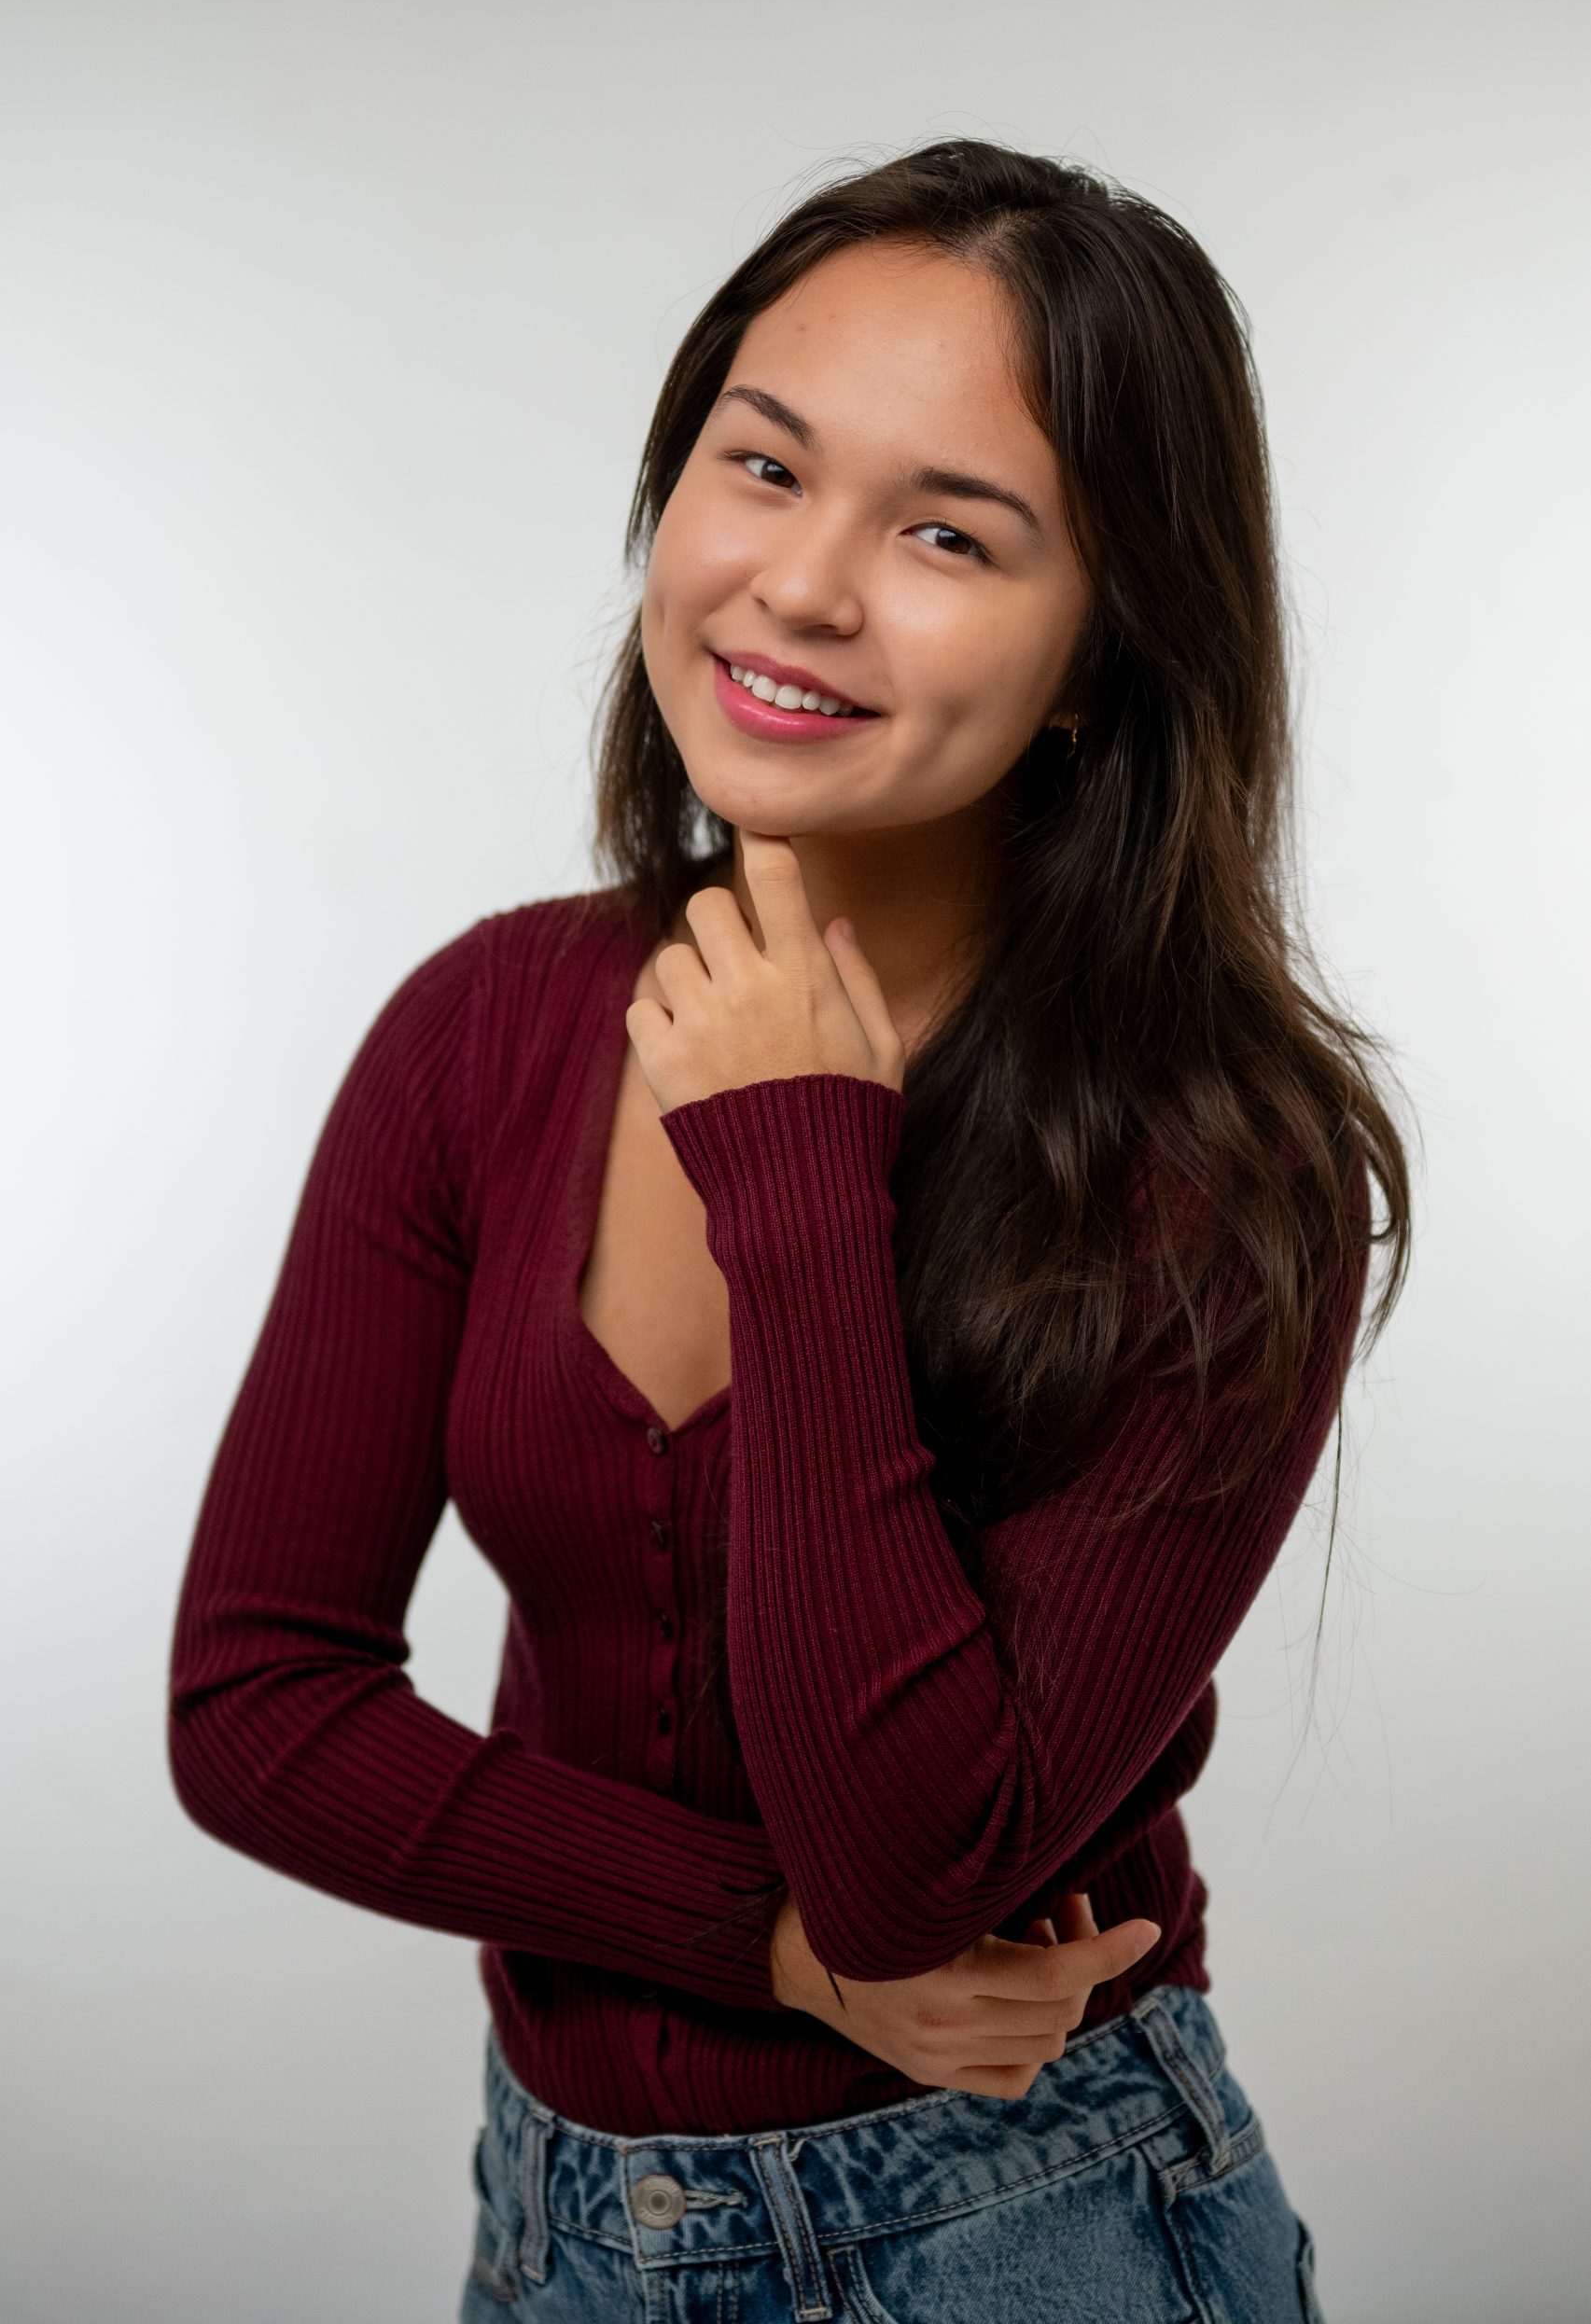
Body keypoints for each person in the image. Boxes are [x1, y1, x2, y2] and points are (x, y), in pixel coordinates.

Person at [168, 137, 1411, 2323]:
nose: (802, 586)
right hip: (559, 2217)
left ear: (1105, 653)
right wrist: (754, 1943)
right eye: (763, 466)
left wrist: (801, 1175)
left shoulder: (1232, 1167)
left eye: (948, 530)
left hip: (1027, 2217)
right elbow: (257, 1704)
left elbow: (911, 1871)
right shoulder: (483, 1029)